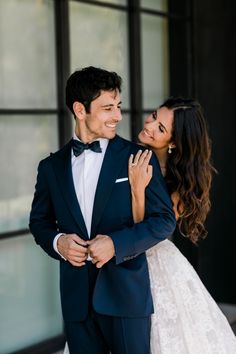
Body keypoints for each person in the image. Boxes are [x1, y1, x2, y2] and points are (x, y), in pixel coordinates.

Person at [29, 66, 176, 354]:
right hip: (77, 303)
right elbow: (39, 222)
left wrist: (116, 244)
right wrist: (59, 243)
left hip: (126, 296)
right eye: (108, 108)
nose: (118, 116)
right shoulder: (51, 168)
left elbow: (164, 221)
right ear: (80, 110)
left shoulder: (137, 157)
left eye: (118, 107)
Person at [126, 97, 236, 353]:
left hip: (152, 259)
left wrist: (138, 190)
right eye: (153, 116)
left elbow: (148, 230)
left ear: (173, 142)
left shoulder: (178, 182)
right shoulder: (132, 155)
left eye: (161, 128)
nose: (150, 125)